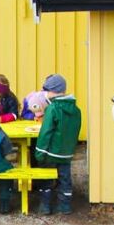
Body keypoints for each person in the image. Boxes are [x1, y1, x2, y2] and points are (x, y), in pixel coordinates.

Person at [34, 73, 82, 215]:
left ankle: (45, 205)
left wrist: (39, 152)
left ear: (52, 91)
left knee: (46, 178)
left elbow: (46, 132)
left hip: (50, 152)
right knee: (65, 178)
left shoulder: (52, 109)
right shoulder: (76, 110)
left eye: (46, 91)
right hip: (66, 152)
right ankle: (65, 205)